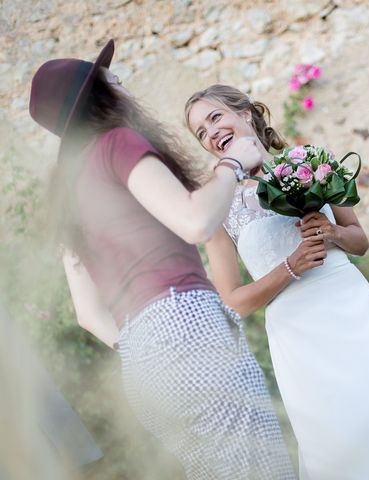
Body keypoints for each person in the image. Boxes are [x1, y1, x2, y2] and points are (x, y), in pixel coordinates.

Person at [29, 40, 295, 480]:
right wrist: (231, 163)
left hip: (142, 362)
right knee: (260, 468)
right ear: (101, 94)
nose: (123, 85)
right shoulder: (116, 143)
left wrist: (149, 344)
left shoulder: (67, 194)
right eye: (113, 80)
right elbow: (195, 222)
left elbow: (87, 314)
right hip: (185, 322)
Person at [185, 84, 369, 479]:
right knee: (340, 438)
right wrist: (291, 266)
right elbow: (235, 300)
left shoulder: (310, 162)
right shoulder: (218, 206)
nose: (210, 132)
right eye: (200, 132)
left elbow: (359, 239)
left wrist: (332, 233)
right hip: (298, 333)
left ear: (246, 112)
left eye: (215, 117)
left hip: (350, 306)